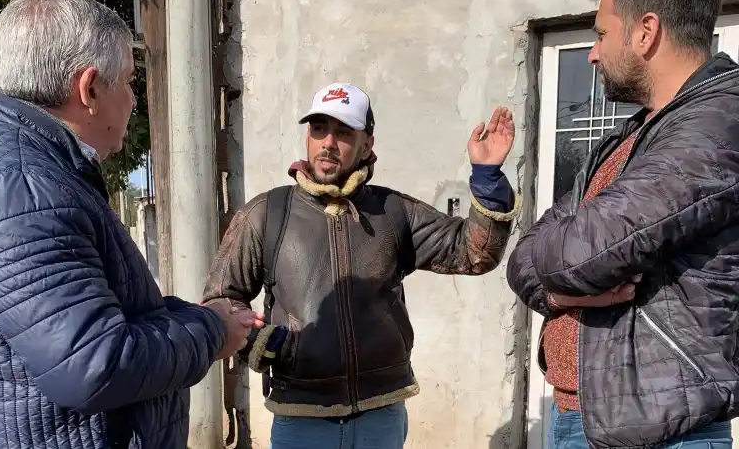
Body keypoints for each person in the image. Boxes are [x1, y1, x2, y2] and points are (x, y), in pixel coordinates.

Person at [0, 0, 261, 449]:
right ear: (89, 89)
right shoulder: (21, 190)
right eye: (128, 80)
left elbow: (93, 320)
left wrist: (195, 315)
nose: (132, 97)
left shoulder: (35, 171)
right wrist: (211, 331)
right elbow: (92, 365)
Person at [507, 0, 739, 449]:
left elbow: (589, 251)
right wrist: (561, 290)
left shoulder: (717, 123)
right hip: (579, 417)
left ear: (646, 31)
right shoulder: (635, 134)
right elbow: (524, 257)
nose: (591, 52)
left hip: (662, 432)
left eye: (601, 33)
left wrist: (559, 267)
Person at [204, 82, 521, 449]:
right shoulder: (267, 214)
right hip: (301, 416)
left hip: (380, 416)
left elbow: (473, 254)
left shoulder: (394, 212)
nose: (327, 142)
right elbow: (221, 298)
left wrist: (487, 177)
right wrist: (257, 342)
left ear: (366, 144)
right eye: (319, 129)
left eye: (342, 132)